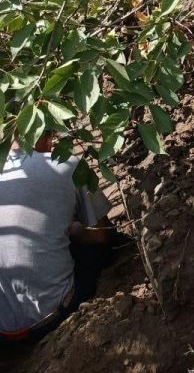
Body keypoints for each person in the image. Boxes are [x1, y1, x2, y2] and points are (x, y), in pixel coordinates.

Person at [0, 135, 115, 347]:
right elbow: (100, 235)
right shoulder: (68, 165)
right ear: (48, 135)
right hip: (50, 318)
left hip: (4, 334)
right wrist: (69, 230)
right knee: (108, 240)